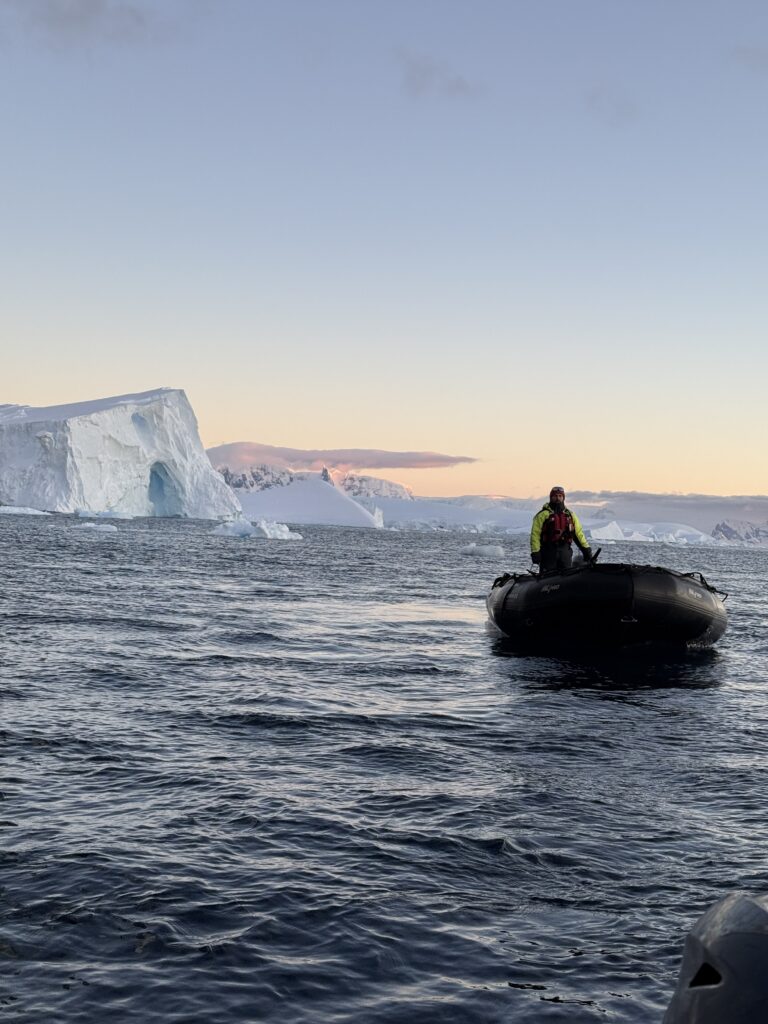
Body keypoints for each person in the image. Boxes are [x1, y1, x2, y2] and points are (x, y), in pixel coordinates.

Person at [530, 486, 592, 573]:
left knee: (567, 576)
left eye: (560, 496)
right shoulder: (542, 515)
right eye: (555, 496)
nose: (557, 498)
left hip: (565, 551)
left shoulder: (570, 515)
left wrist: (586, 549)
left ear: (563, 498)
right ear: (551, 497)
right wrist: (535, 552)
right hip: (548, 551)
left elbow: (578, 534)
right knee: (547, 577)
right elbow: (535, 535)